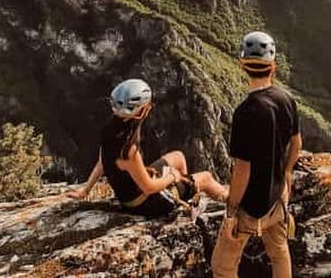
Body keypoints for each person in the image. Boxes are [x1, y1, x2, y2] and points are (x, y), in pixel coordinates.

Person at [211, 31, 302, 278]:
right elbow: (296, 143)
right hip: (278, 199)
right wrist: (286, 174)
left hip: (250, 208)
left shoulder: (245, 112)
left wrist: (231, 213)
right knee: (280, 253)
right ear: (273, 66)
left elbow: (243, 170)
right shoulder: (287, 100)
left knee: (222, 267)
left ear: (242, 64)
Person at [68, 78, 228, 216]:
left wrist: (86, 190)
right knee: (206, 177)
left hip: (130, 195)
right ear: (140, 112)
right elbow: (149, 188)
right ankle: (229, 200)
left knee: (178, 157)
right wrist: (172, 177)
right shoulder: (128, 150)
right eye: (147, 105)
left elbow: (102, 162)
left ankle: (186, 196)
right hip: (145, 204)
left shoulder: (109, 131)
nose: (150, 107)